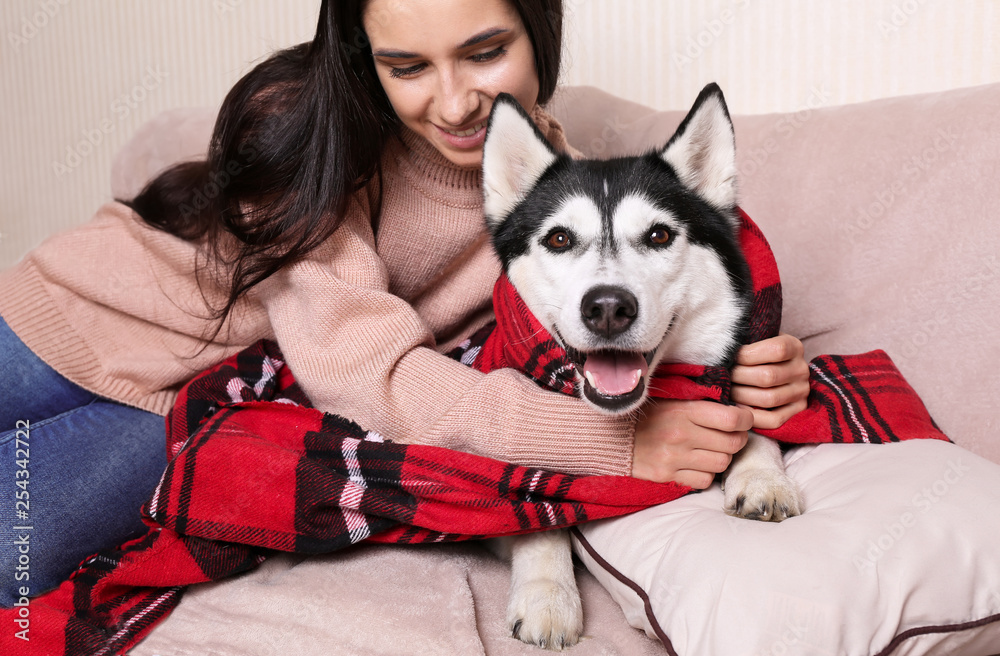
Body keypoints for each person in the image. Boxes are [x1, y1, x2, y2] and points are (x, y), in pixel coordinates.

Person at [0, 0, 809, 606]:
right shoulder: (317, 137)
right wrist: (612, 443)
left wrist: (750, 368)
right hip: (63, 322)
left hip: (197, 404)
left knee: (14, 554)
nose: (455, 103)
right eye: (408, 67)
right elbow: (367, 374)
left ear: (541, 31)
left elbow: (615, 313)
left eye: (485, 52)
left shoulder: (556, 194)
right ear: (367, 60)